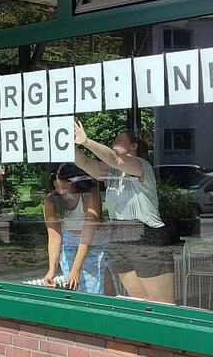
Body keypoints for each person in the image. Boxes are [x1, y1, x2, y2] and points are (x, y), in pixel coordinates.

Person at [72, 121, 175, 304]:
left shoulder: (141, 165)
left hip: (146, 235)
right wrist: (65, 144)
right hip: (119, 233)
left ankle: (171, 332)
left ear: (134, 146)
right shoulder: (112, 172)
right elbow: (87, 163)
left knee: (162, 303)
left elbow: (115, 159)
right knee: (139, 300)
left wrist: (86, 141)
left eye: (119, 139)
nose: (113, 142)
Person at [43, 163, 104, 294]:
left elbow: (88, 232)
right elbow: (54, 236)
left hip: (91, 243)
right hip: (68, 244)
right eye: (60, 185)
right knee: (75, 288)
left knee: (96, 289)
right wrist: (52, 270)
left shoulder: (89, 194)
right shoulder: (51, 201)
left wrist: (76, 269)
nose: (63, 191)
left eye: (67, 186)